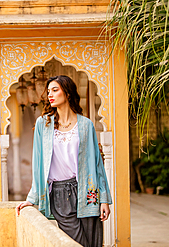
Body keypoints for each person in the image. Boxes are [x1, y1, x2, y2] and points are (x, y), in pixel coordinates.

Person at [16, 75, 113, 247]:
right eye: (48, 92)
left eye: (55, 90)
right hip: (59, 193)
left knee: (93, 242)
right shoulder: (43, 124)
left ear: (67, 93)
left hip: (87, 191)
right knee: (76, 242)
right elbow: (38, 162)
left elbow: (97, 164)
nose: (50, 95)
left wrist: (104, 199)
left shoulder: (86, 125)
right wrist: (32, 197)